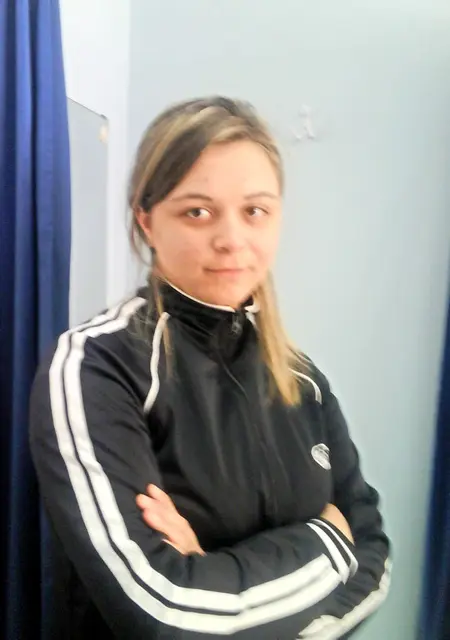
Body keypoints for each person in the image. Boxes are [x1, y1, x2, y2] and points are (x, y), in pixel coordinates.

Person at [30, 96, 391, 639]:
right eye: (197, 211)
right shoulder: (96, 367)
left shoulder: (305, 382)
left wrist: (223, 590)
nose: (231, 240)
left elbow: (377, 561)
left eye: (255, 211)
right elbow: (163, 614)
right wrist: (329, 543)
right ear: (147, 221)